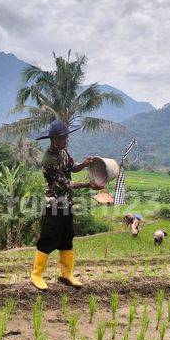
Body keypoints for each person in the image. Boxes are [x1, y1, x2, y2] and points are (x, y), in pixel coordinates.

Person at [30, 120, 102, 291]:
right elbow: (64, 184)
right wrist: (88, 185)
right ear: (54, 139)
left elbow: (73, 167)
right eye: (63, 138)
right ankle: (36, 275)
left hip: (67, 203)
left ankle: (66, 274)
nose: (66, 141)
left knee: (67, 237)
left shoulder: (64, 152)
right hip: (54, 204)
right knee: (48, 237)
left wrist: (83, 164)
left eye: (66, 138)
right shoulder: (48, 160)